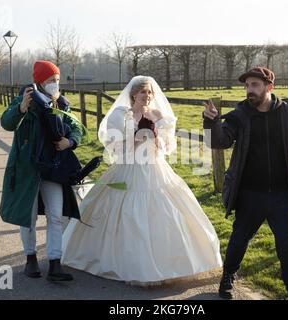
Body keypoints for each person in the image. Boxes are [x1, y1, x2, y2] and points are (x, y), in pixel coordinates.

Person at [62, 75, 222, 284]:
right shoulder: (122, 115)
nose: (147, 96)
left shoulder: (158, 114)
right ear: (133, 94)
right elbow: (118, 149)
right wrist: (137, 136)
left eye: (150, 92)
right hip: (129, 167)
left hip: (155, 167)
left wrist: (154, 135)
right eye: (143, 92)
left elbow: (166, 146)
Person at [203, 67, 288, 300]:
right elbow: (217, 143)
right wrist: (210, 123)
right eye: (247, 86)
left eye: (254, 85)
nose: (249, 90)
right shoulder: (238, 115)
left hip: (283, 194)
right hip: (249, 193)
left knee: (287, 246)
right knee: (239, 240)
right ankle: (228, 276)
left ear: (269, 87)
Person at [0, 60, 83, 282]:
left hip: (53, 169)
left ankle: (55, 263)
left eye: (57, 80)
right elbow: (6, 122)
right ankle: (30, 259)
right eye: (50, 80)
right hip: (28, 170)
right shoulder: (26, 99)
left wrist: (71, 141)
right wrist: (21, 108)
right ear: (39, 82)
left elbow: (76, 128)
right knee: (28, 216)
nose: (55, 84)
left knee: (56, 216)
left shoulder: (62, 104)